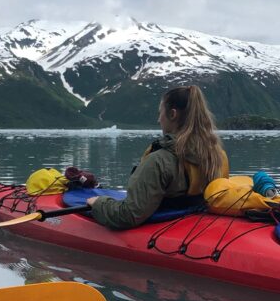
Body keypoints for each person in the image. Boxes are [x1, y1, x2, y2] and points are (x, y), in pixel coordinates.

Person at [87, 85, 229, 229]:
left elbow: (128, 215)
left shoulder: (159, 161)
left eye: (160, 112)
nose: (158, 119)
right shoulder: (218, 156)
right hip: (200, 226)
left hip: (167, 230)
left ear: (172, 114)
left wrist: (98, 203)